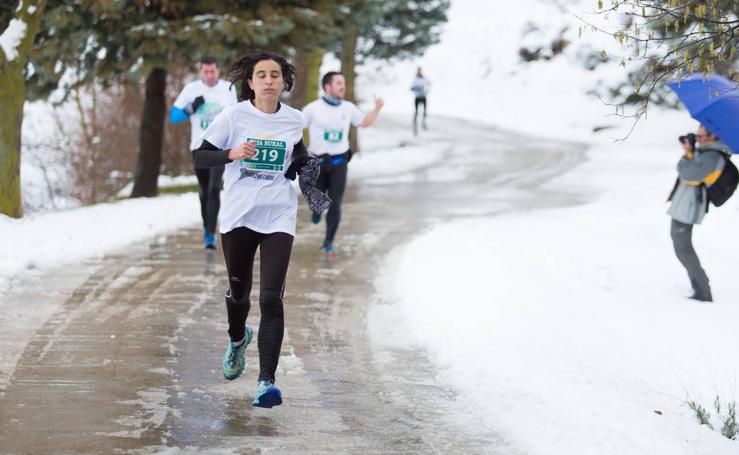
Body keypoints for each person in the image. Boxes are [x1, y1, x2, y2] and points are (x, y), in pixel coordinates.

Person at [192, 50, 329, 408]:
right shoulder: (233, 116)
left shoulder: (294, 119)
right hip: (238, 215)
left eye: (275, 75)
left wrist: (304, 166)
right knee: (239, 295)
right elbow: (200, 157)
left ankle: (266, 381)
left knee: (271, 298)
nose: (269, 80)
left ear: (285, 82)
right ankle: (238, 338)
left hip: (278, 216)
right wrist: (232, 154)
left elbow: (295, 152)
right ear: (249, 82)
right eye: (261, 75)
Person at [302, 71, 384, 257]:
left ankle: (328, 242)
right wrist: (301, 151)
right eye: (338, 83)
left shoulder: (348, 108)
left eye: (344, 83)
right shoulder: (313, 108)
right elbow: (296, 126)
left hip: (339, 162)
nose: (343, 86)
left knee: (335, 203)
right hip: (317, 163)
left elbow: (364, 123)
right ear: (327, 87)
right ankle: (316, 210)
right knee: (317, 199)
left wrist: (377, 109)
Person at [171, 57, 238, 249]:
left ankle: (210, 233)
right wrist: (191, 108)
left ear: (218, 71)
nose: (209, 75)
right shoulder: (191, 89)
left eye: (213, 71)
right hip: (198, 147)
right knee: (204, 191)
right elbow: (174, 117)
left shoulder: (228, 88)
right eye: (206, 72)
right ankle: (207, 228)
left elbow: (235, 116)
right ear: (201, 72)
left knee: (214, 188)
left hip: (220, 146)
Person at [667, 125, 732, 302]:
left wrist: (688, 156)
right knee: (682, 247)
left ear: (713, 135)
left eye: (701, 135)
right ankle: (699, 286)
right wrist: (690, 151)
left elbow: (687, 173)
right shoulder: (706, 151)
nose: (698, 138)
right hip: (685, 205)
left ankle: (703, 290)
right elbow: (690, 169)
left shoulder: (713, 155)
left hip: (689, 207)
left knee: (683, 248)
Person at [410, 67, 430, 135]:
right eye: (419, 71)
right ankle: (414, 123)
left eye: (421, 71)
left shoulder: (424, 78)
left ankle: (424, 122)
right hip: (417, 97)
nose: (420, 72)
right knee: (416, 111)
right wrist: (416, 88)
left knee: (424, 110)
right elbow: (411, 88)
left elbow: (429, 84)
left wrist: (426, 90)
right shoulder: (415, 79)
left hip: (423, 96)